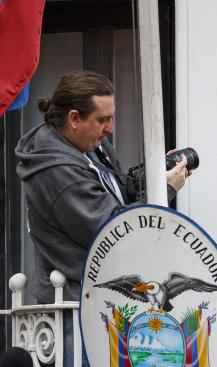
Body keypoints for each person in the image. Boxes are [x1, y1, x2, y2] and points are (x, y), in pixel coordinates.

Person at [15, 70, 190, 365]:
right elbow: (111, 230)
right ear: (73, 119)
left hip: (104, 305)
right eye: (102, 119)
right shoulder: (56, 171)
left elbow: (118, 192)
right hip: (78, 312)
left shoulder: (89, 146)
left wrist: (155, 175)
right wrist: (165, 192)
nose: (110, 128)